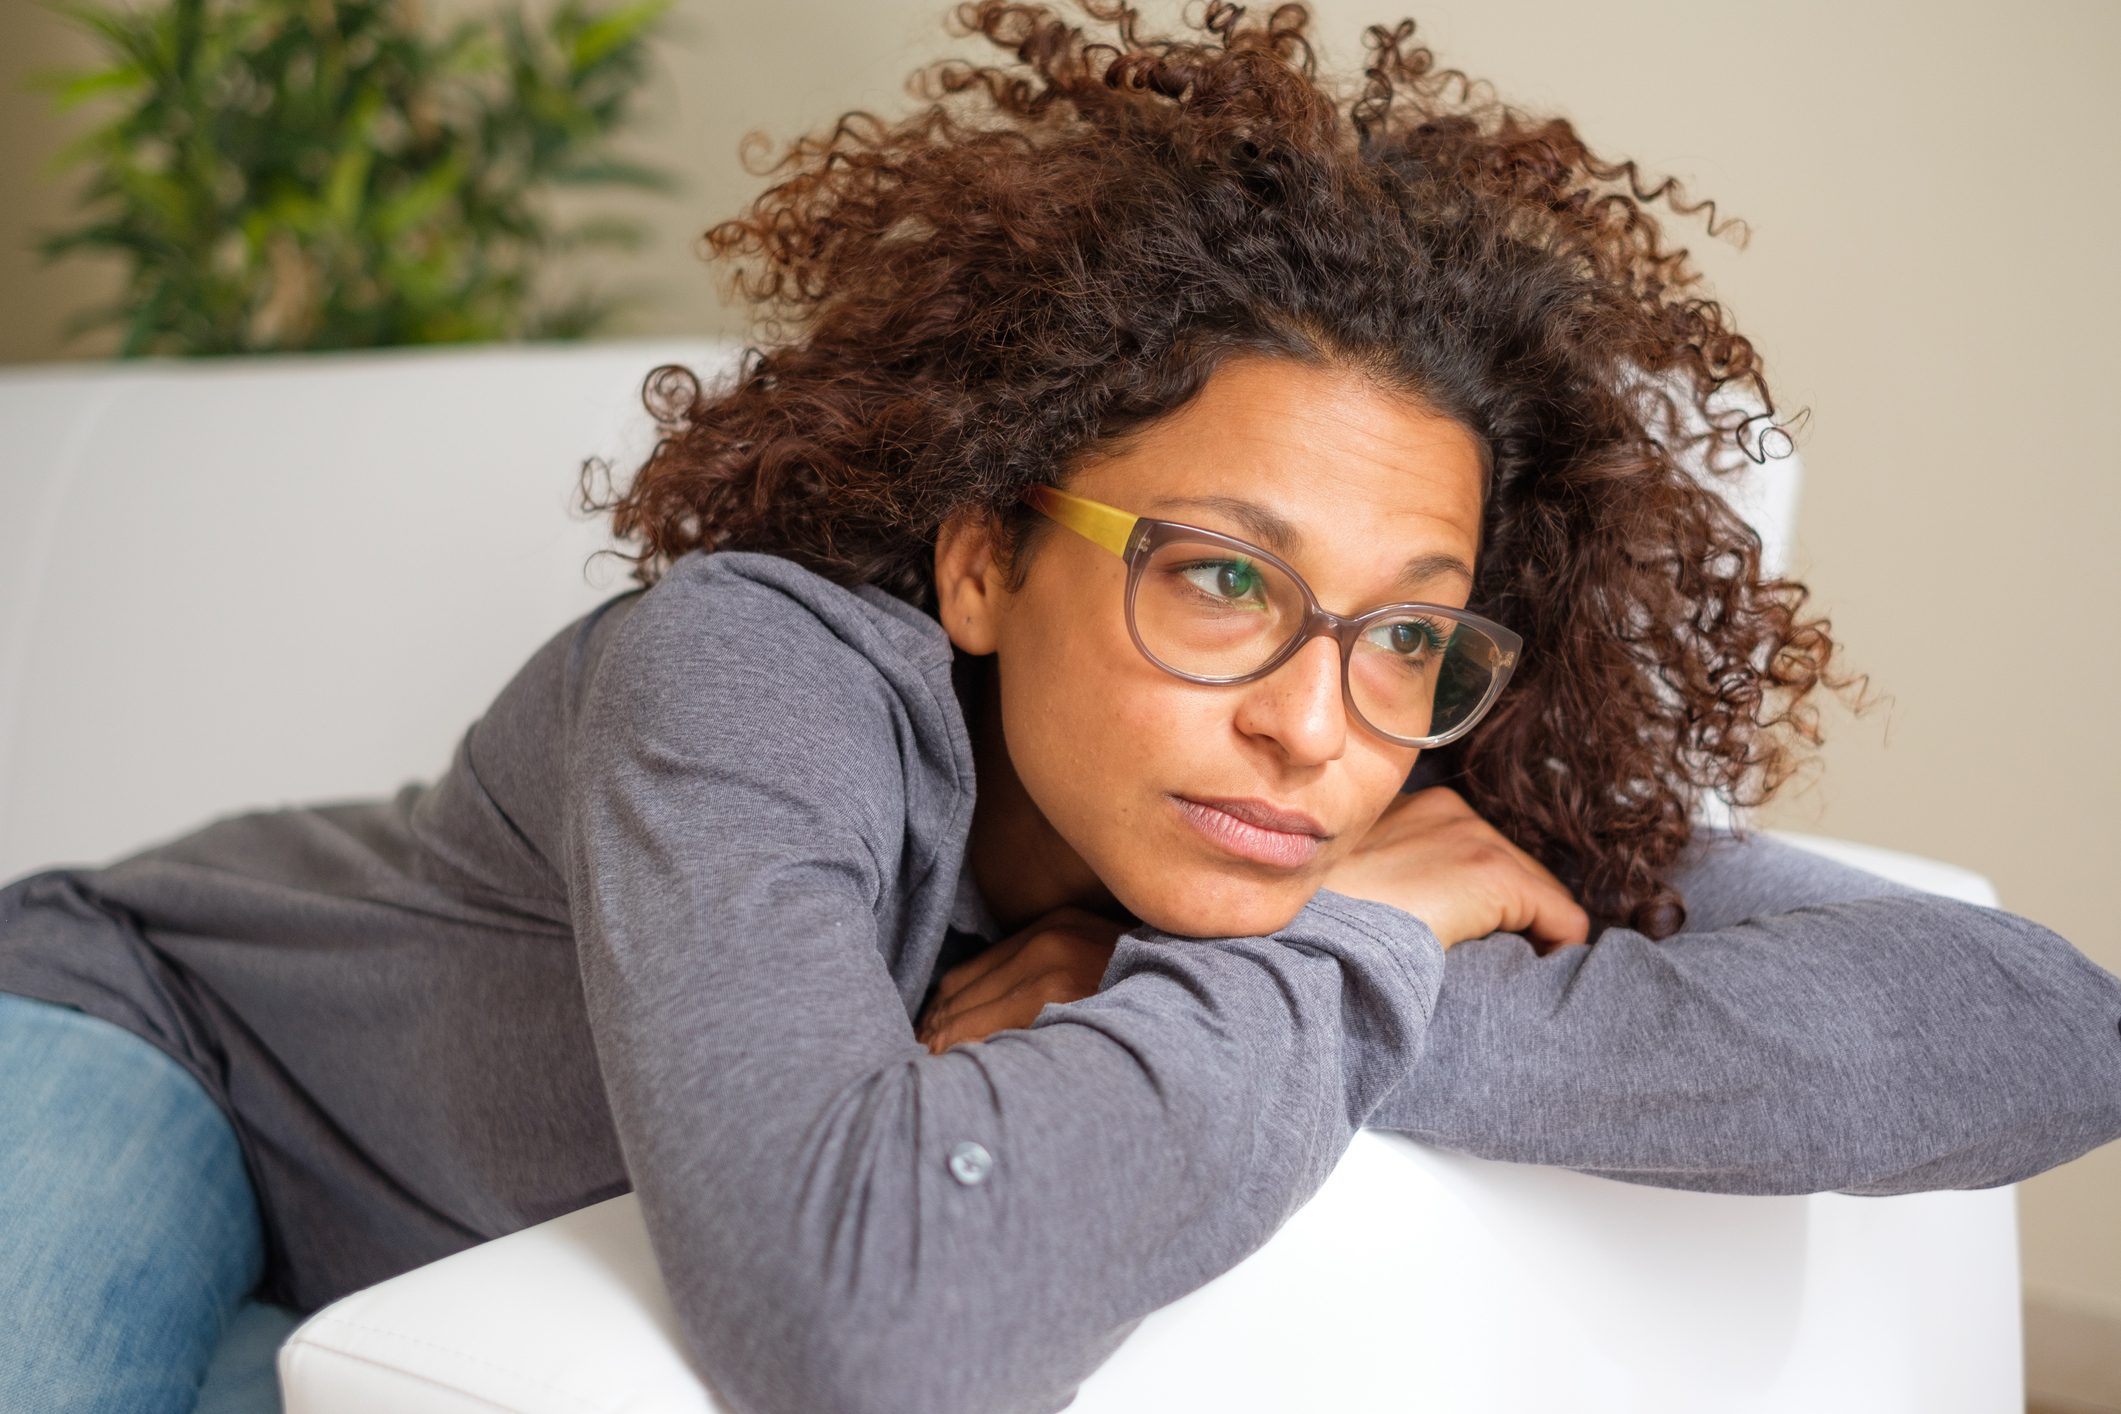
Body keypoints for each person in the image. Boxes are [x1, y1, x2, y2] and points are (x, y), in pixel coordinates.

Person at [5, 2, 2120, 1411]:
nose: (1317, 725)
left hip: (384, 1277)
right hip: (140, 1031)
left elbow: (2047, 1030)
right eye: (1220, 575)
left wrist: (1265, 949)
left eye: (1403, 630)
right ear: (980, 557)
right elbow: (862, 1318)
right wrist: (1342, 951)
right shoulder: (737, 668)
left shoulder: (1388, 790)